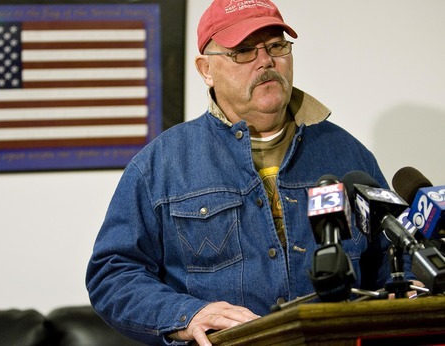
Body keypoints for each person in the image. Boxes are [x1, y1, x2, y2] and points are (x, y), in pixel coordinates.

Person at [86, 1, 419, 345]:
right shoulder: (161, 166)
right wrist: (188, 315)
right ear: (206, 69)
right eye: (243, 51)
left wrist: (408, 291)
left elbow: (396, 251)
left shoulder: (347, 155)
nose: (266, 61)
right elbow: (113, 275)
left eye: (276, 46)